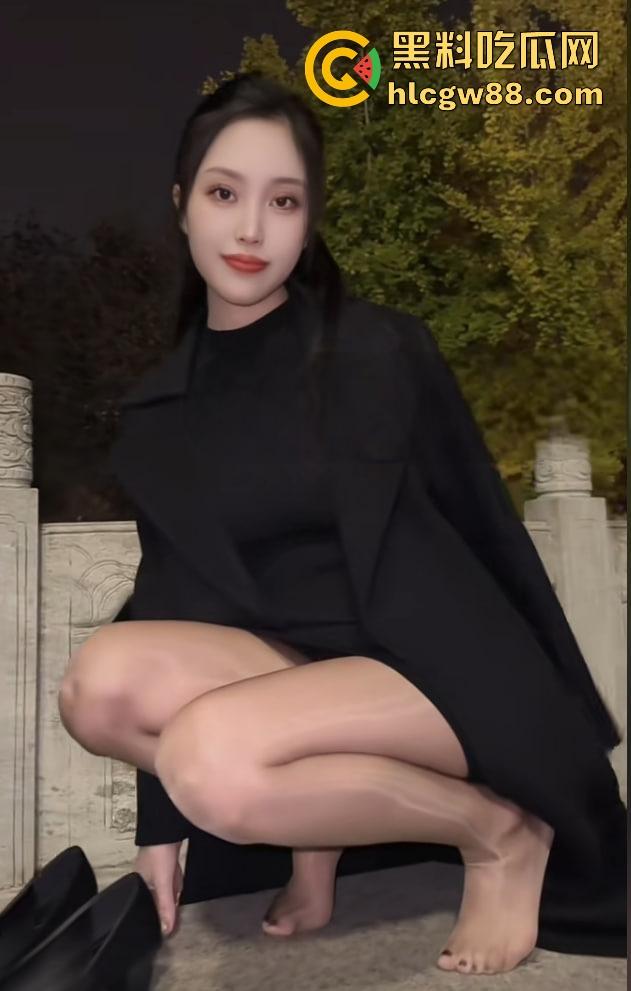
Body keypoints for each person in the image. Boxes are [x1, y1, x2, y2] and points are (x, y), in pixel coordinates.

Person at [57, 72, 626, 978]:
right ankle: (314, 838)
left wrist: (559, 717)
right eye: (223, 194)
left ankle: (499, 832)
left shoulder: (378, 350)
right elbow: (171, 593)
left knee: (212, 759)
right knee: (95, 686)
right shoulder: (158, 410)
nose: (251, 229)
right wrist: (157, 828)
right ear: (181, 203)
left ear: (309, 217)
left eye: (283, 201)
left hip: (431, 670)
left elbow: (484, 527)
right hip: (293, 675)